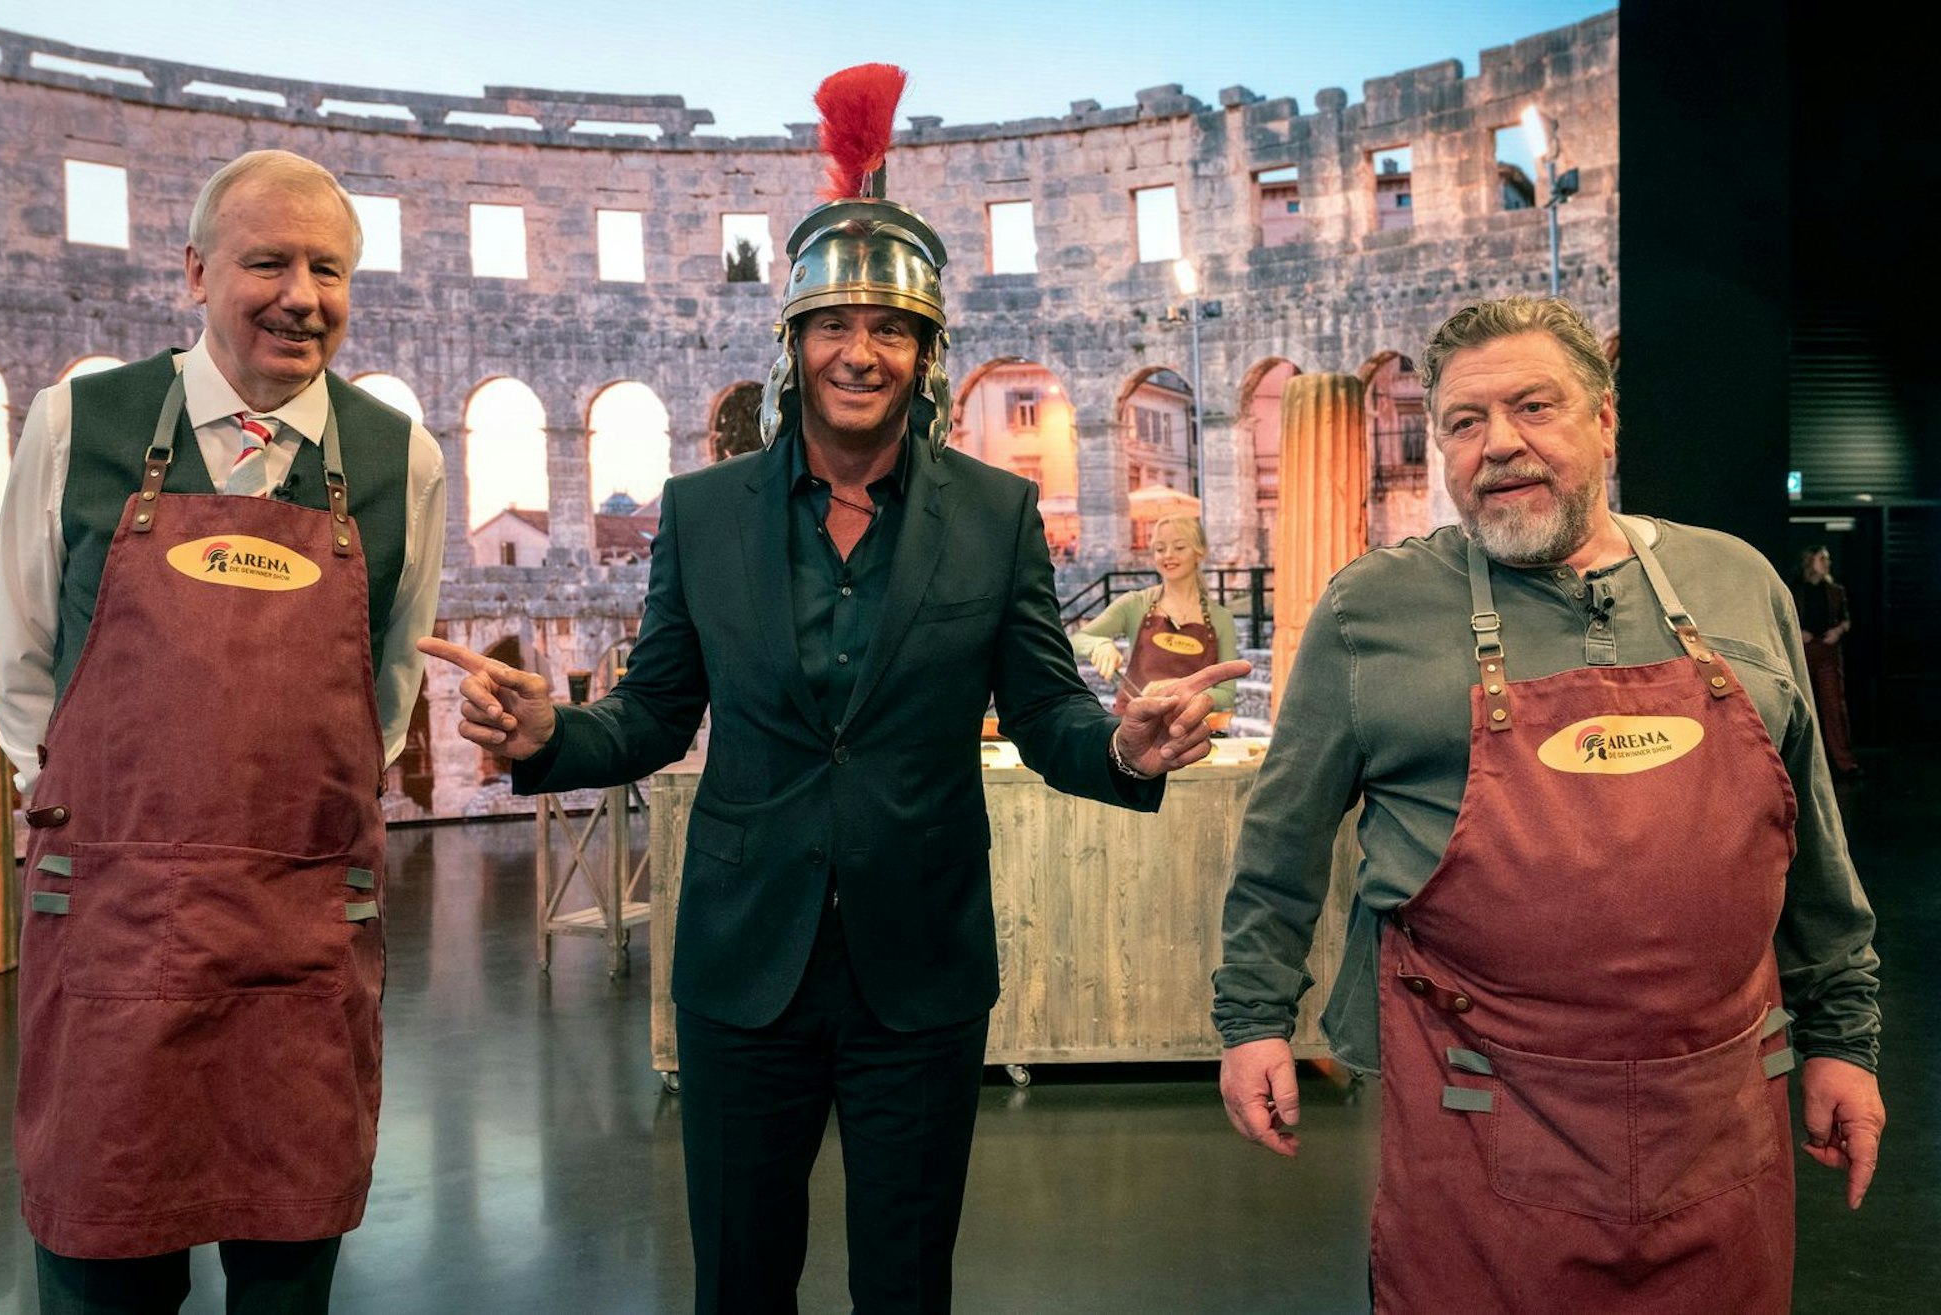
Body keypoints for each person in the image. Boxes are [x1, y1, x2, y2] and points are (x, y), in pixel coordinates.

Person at [421, 63, 1246, 1314]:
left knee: (906, 1281)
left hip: (918, 966)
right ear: (792, 339)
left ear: (927, 352)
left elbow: (1041, 711)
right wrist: (550, 736)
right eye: (833, 326)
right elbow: (653, 712)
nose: (860, 353)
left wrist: (1122, 748)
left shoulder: (996, 512)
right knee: (739, 1279)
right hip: (745, 967)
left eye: (891, 330)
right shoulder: (702, 515)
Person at [1212, 295, 1883, 1312]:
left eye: (1534, 406)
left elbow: (1810, 846)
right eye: (1463, 422)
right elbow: (1281, 840)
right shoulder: (1370, 612)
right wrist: (1251, 1020)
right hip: (1474, 1101)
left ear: (1604, 420)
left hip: (1715, 1102)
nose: (1500, 445)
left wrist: (1842, 1037)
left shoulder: (1735, 584)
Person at [0, 148, 446, 1313]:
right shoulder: (77, 423)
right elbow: (27, 668)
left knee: (288, 1271)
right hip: (110, 926)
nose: (303, 293)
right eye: (268, 262)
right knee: (102, 1269)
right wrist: (103, 827)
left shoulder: (403, 462)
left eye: (328, 268)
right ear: (194, 272)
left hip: (299, 935)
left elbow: (381, 697)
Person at [1071, 514, 1240, 717]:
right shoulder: (1135, 604)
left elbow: (1227, 695)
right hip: (1135, 729)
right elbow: (1075, 640)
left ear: (1199, 553)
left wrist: (1180, 690)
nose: (1168, 555)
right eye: (1160, 549)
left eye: (1179, 547)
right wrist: (1098, 645)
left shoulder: (1221, 618)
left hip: (1194, 732)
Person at [1791, 544, 1861, 776]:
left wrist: (1838, 631)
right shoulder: (1795, 589)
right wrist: (1798, 633)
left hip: (1828, 652)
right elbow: (1784, 619)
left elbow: (1846, 620)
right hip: (1804, 652)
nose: (1827, 563)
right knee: (1804, 708)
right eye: (1823, 559)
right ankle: (1806, 766)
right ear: (1811, 561)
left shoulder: (1835, 590)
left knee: (1834, 706)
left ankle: (1844, 762)